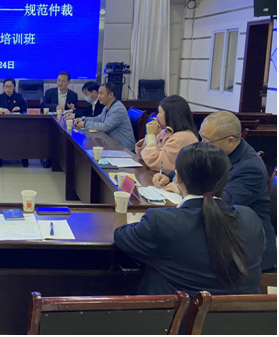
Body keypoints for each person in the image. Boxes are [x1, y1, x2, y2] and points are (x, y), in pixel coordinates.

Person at [115, 142, 264, 296]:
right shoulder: (250, 219)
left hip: (177, 311)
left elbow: (120, 236)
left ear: (177, 178)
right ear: (226, 179)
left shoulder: (161, 222)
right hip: (242, 311)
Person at [153, 111, 277, 272]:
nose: (202, 143)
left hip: (245, 243)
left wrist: (184, 189)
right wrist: (170, 176)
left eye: (207, 140)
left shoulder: (250, 168)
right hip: (217, 230)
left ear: (230, 140)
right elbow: (192, 163)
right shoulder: (219, 151)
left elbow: (223, 201)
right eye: (201, 136)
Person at [135, 95, 198, 172]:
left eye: (159, 112)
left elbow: (156, 163)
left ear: (171, 115)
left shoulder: (184, 137)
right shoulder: (165, 131)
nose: (156, 116)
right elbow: (141, 155)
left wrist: (151, 136)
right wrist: (150, 135)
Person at [74, 82, 136, 151]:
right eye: (98, 93)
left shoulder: (117, 109)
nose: (98, 96)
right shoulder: (107, 107)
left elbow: (105, 127)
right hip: (112, 145)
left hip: (125, 148)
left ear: (110, 94)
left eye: (101, 93)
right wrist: (83, 119)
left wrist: (85, 124)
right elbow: (98, 119)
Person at [0, 78, 29, 168]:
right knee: (0, 137)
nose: (8, 89)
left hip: (17, 124)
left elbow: (26, 107)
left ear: (14, 87)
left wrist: (19, 108)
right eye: (6, 86)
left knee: (22, 136)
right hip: (2, 124)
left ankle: (24, 158)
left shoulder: (19, 97)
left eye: (10, 86)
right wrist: (1, 109)